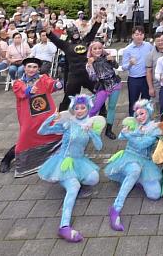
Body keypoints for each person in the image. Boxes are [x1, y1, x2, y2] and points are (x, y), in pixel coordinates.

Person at [37, 94, 105, 243]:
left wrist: (91, 132)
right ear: (73, 109)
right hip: (64, 161)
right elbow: (41, 131)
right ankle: (64, 226)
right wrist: (51, 117)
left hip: (79, 161)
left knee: (94, 179)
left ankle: (72, 182)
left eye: (83, 108)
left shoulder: (90, 123)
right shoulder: (68, 123)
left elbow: (99, 147)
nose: (80, 110)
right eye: (77, 108)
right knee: (74, 186)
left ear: (88, 108)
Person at [0, 57, 63, 176]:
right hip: (29, 117)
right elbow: (21, 91)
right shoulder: (18, 82)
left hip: (46, 115)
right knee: (25, 138)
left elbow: (51, 85)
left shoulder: (43, 79)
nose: (31, 69)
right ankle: (7, 159)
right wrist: (29, 90)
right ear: (24, 68)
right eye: (29, 67)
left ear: (38, 69)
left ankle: (51, 160)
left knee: (56, 134)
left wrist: (58, 84)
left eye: (34, 67)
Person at [104, 99, 162, 232]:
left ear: (148, 112)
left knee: (155, 194)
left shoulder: (154, 128)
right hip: (129, 158)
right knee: (135, 169)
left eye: (142, 113)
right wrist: (126, 131)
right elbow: (120, 136)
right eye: (137, 115)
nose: (139, 117)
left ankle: (136, 181)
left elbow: (142, 144)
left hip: (145, 162)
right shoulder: (133, 124)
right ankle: (116, 208)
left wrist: (129, 135)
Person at [47, 13, 103, 111]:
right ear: (69, 34)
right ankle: (61, 116)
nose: (75, 33)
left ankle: (103, 114)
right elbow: (54, 38)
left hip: (87, 74)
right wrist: (47, 30)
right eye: (72, 32)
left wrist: (98, 22)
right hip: (74, 76)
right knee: (68, 97)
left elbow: (92, 32)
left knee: (99, 93)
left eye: (76, 31)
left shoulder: (85, 41)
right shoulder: (65, 45)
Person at [85, 41, 120, 140]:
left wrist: (112, 60)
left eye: (99, 48)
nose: (97, 50)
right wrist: (90, 65)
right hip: (102, 86)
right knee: (95, 108)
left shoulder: (107, 57)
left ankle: (108, 130)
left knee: (112, 107)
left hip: (115, 83)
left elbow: (116, 66)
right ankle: (86, 127)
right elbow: (92, 78)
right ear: (91, 50)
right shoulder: (89, 62)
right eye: (95, 48)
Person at [122, 26, 155, 115]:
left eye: (141, 34)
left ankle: (146, 121)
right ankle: (132, 122)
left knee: (146, 102)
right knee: (133, 102)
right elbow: (123, 67)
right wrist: (130, 63)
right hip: (134, 79)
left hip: (146, 78)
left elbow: (154, 57)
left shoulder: (148, 46)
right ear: (132, 36)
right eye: (136, 34)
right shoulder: (127, 49)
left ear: (144, 35)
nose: (139, 37)